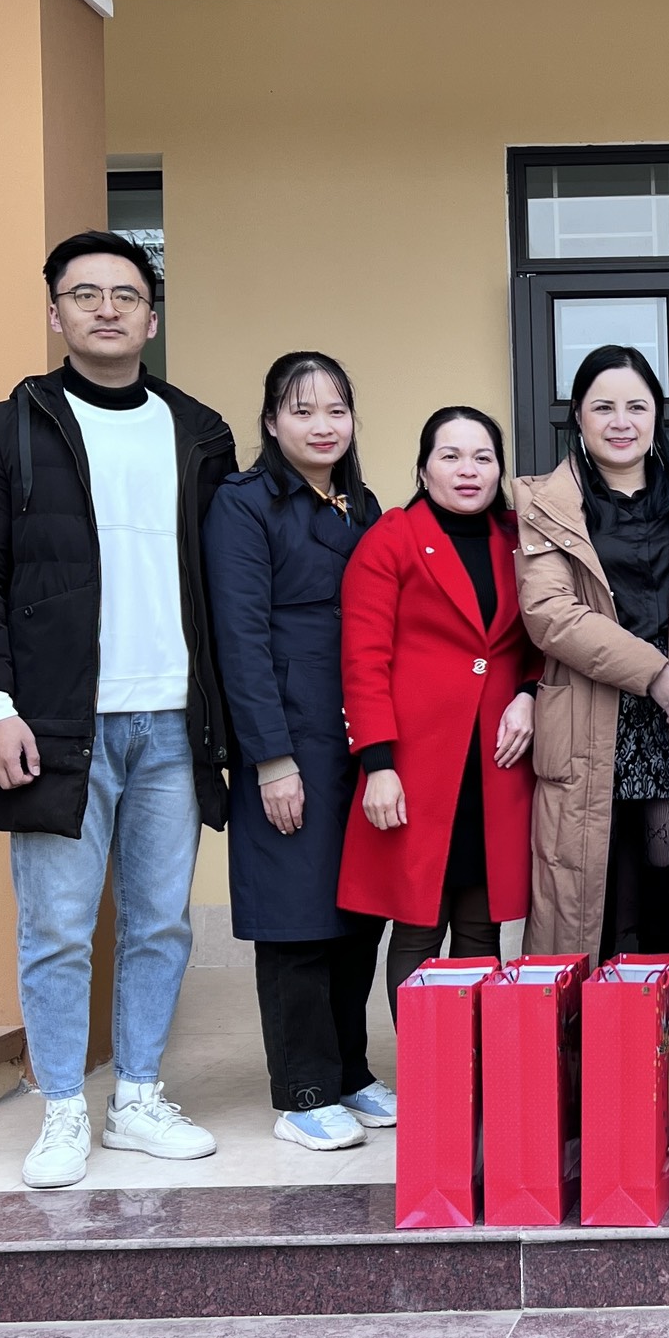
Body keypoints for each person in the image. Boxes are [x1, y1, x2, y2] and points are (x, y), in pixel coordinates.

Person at [0, 229, 236, 1190]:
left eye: (125, 295)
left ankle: (137, 1097)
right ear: (54, 312)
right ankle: (63, 1106)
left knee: (160, 924)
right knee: (59, 928)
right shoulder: (6, 431)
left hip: (174, 721)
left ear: (151, 318)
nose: (106, 309)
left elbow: (227, 583)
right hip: (56, 723)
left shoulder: (200, 433)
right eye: (84, 294)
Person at [204, 352, 392, 1152]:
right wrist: (270, 759)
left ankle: (348, 1071)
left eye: (336, 410)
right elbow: (240, 638)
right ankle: (303, 1091)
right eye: (302, 409)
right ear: (271, 421)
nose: (322, 426)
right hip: (287, 736)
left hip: (356, 732)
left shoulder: (361, 504)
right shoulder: (243, 503)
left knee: (356, 913)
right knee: (297, 918)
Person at [512, 345, 669, 960]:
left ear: (656, 415)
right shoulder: (546, 504)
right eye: (603, 407)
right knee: (599, 887)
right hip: (594, 712)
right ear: (577, 416)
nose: (621, 422)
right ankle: (600, 1024)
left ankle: (660, 1021)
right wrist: (656, 674)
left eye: (637, 407)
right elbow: (551, 614)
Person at [339, 406, 538, 1003]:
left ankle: (471, 1057)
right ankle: (426, 1060)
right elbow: (363, 660)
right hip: (417, 764)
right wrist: (377, 764)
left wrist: (529, 694)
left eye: (483, 457)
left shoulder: (520, 540)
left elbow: (544, 638)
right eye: (450, 456)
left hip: (496, 763)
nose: (468, 470)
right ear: (424, 470)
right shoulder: (392, 538)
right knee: (418, 925)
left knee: (481, 924)